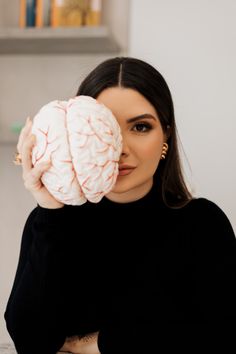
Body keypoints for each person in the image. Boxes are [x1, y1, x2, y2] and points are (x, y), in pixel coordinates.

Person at [5, 57, 236, 354]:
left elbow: (222, 337)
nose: (121, 148)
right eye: (107, 127)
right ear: (73, 136)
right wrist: (50, 210)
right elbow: (30, 340)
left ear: (165, 135)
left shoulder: (203, 225)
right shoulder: (52, 222)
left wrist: (95, 342)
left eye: (140, 127)